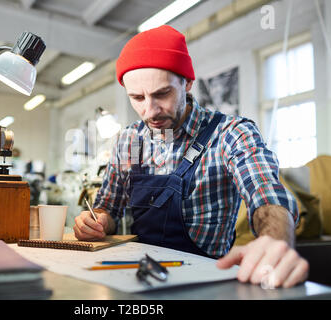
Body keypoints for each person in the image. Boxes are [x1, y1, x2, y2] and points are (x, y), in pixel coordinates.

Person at [74, 25, 309, 288]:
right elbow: (108, 207)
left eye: (161, 93)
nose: (150, 111)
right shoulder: (128, 141)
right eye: (137, 98)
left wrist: (275, 241)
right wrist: (95, 223)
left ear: (187, 82)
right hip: (138, 279)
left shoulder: (230, 134)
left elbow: (267, 195)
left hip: (208, 286)